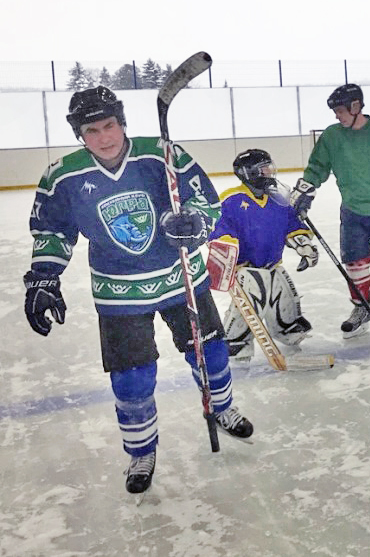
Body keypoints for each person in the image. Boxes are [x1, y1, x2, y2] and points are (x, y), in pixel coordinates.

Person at [23, 86, 253, 496]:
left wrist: (194, 223)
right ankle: (141, 451)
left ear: (122, 122)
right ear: (79, 135)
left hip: (180, 275)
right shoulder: (63, 175)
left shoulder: (162, 154)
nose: (104, 137)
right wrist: (44, 275)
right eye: (92, 131)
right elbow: (52, 230)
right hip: (118, 290)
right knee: (131, 378)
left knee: (211, 352)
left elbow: (206, 201)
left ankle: (222, 408)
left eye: (109, 125)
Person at [289, 84, 370, 335]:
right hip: (353, 212)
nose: (337, 116)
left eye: (340, 110)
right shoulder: (332, 136)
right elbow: (317, 166)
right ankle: (361, 307)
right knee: (355, 263)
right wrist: (306, 188)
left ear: (356, 106)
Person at [209, 149, 318, 361]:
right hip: (244, 269)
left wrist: (303, 243)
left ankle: (287, 327)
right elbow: (219, 229)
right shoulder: (231, 200)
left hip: (272, 264)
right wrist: (228, 250)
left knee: (281, 287)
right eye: (264, 169)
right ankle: (235, 340)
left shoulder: (277, 199)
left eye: (269, 167)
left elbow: (291, 224)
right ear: (249, 172)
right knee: (253, 288)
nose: (270, 172)